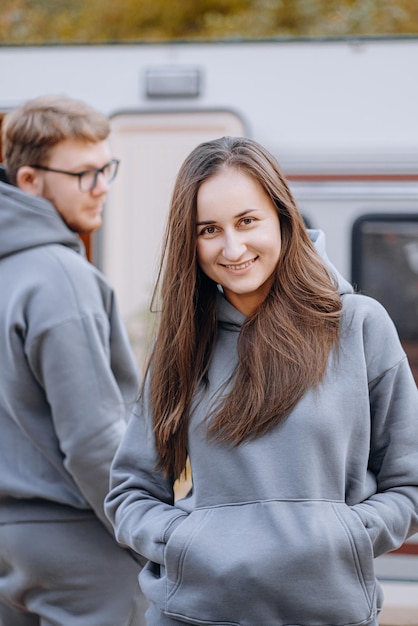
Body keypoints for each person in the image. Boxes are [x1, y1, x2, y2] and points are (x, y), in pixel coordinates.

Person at [105, 136, 418, 626]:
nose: (233, 247)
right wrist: (187, 542)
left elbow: (409, 483)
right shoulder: (184, 342)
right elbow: (130, 492)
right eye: (210, 229)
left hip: (329, 613)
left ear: (283, 218)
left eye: (247, 221)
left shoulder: (359, 326)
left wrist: (345, 536)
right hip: (194, 615)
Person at [0, 95, 148, 625]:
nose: (103, 185)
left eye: (106, 168)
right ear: (30, 180)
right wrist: (151, 538)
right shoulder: (61, 276)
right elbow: (93, 437)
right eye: (84, 173)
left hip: (12, 549)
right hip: (81, 545)